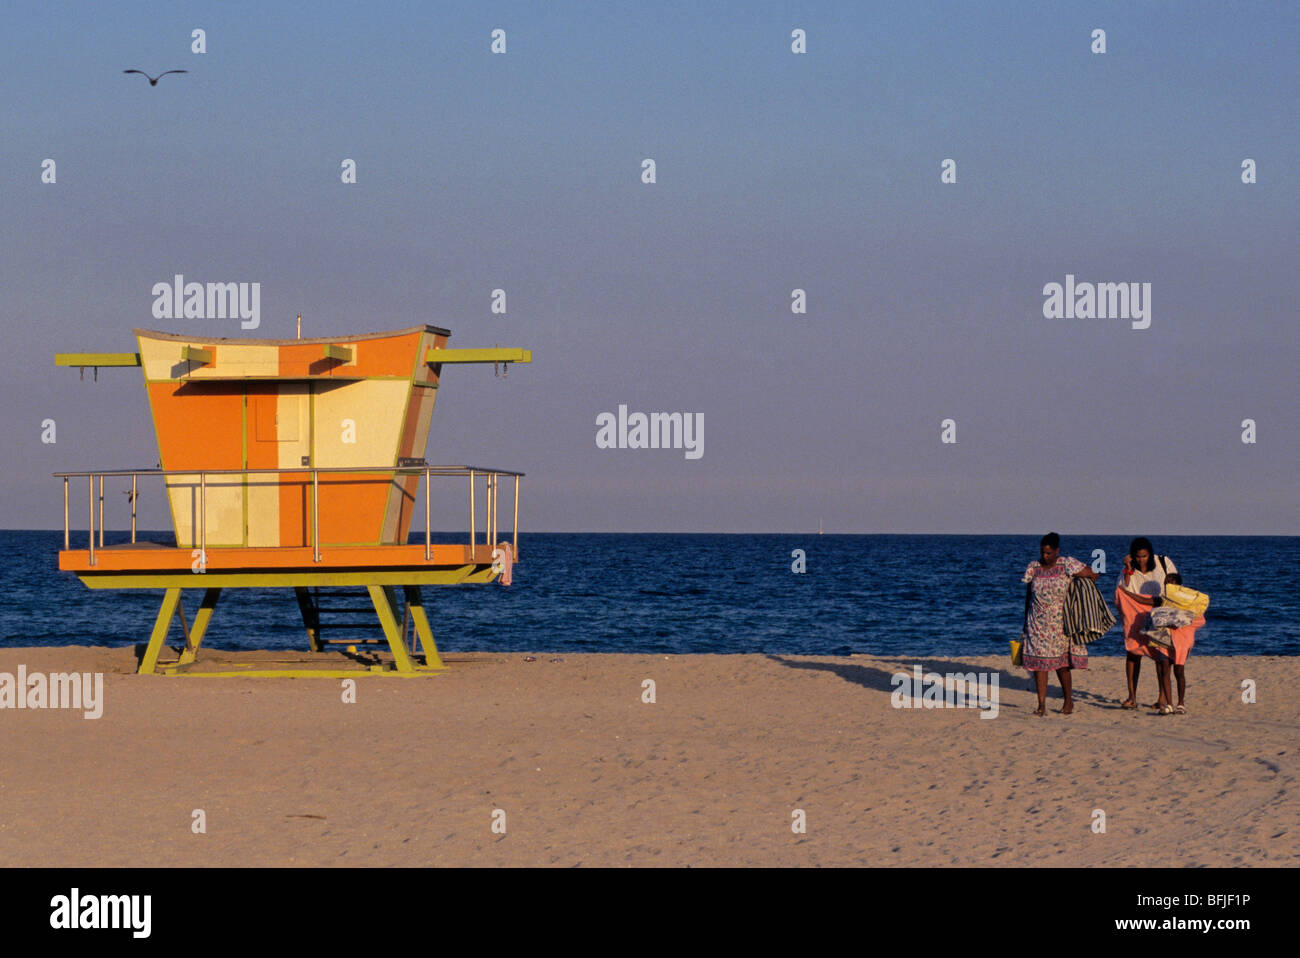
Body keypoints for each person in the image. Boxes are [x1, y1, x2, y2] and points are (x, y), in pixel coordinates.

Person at [1113, 537, 1199, 714]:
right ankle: (1132, 697)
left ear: (1150, 554)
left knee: (1162, 656)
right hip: (1136, 612)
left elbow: (1176, 587)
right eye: (1137, 556)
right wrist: (1128, 569)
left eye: (1144, 556)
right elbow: (1123, 590)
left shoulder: (1163, 562)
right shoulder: (1129, 569)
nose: (1141, 560)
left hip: (1161, 611)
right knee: (1133, 653)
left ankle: (1162, 698)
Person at [1021, 532, 1100, 716]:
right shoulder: (1034, 567)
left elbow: (1093, 575)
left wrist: (1081, 593)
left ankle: (1068, 701)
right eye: (1043, 552)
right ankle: (1041, 705)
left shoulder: (1067, 565)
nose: (1045, 556)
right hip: (1037, 624)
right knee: (1040, 665)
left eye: (1049, 553)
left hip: (1060, 623)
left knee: (1061, 664)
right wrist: (1024, 624)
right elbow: (1028, 597)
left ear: (1057, 551)